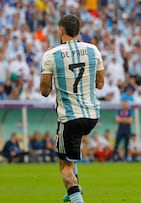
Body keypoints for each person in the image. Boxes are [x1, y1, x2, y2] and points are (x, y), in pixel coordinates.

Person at [40, 14, 104, 203]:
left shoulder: (51, 55)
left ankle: (76, 196)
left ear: (61, 30)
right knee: (69, 152)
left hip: (70, 117)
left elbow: (44, 91)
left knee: (64, 167)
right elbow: (100, 84)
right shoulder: (93, 50)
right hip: (92, 115)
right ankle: (73, 193)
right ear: (78, 31)